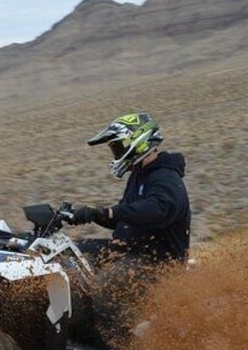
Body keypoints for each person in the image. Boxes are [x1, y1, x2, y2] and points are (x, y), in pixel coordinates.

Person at [69, 112, 191, 266]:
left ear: (140, 143)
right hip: (131, 251)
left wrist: (110, 212)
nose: (116, 154)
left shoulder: (165, 176)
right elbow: (126, 217)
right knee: (71, 252)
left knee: (111, 279)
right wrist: (92, 214)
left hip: (158, 264)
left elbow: (158, 209)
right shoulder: (139, 175)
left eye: (119, 147)